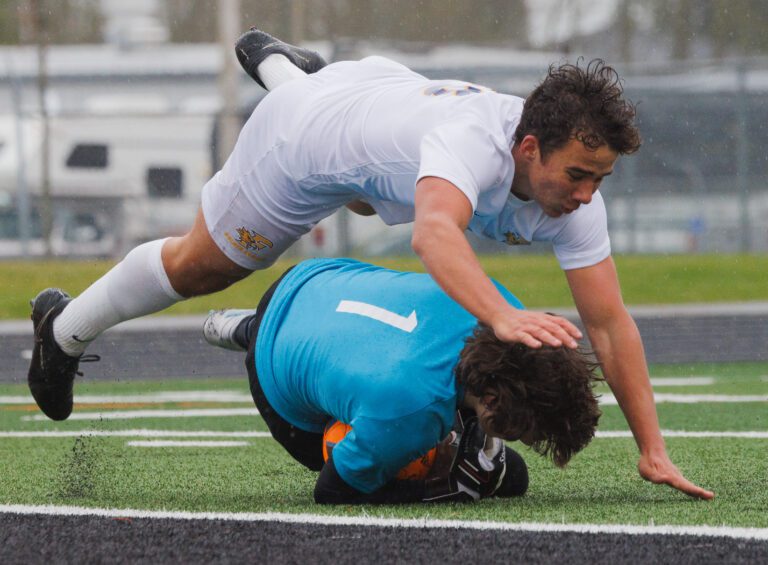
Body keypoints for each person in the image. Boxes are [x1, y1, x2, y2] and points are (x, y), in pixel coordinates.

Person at [26, 29, 713, 500]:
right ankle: (63, 329)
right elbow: (434, 237)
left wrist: (652, 447)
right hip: (304, 142)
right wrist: (501, 314)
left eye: (601, 178)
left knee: (368, 196)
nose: (590, 194)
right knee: (203, 265)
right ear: (529, 147)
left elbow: (611, 324)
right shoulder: (472, 147)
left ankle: (287, 70)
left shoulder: (573, 197)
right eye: (579, 174)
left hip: (379, 93)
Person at [203, 257, 602, 504]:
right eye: (521, 430)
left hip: (314, 279)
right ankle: (256, 332)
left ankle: (255, 324)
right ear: (496, 401)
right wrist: (446, 489)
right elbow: (331, 491)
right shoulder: (413, 409)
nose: (521, 440)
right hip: (273, 369)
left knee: (502, 469)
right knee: (505, 476)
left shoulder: (507, 311)